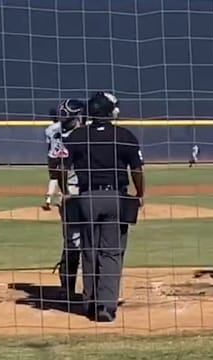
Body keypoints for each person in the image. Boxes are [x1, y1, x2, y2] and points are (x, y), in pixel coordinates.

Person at [61, 91, 144, 322]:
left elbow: (59, 167)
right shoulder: (124, 135)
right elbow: (136, 169)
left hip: (86, 198)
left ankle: (89, 302)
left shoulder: (76, 136)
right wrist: (140, 193)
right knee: (111, 252)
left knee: (89, 249)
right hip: (115, 197)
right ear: (111, 113)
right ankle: (105, 306)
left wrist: (65, 191)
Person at [43, 99, 87, 300]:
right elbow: (54, 167)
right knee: (75, 242)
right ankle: (69, 286)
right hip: (76, 191)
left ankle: (80, 287)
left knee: (76, 242)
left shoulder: (56, 132)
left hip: (79, 192)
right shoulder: (63, 135)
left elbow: (53, 167)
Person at [43, 99, 85, 210]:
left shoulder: (50, 129)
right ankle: (63, 196)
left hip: (54, 156)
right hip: (68, 162)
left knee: (54, 179)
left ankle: (50, 198)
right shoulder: (81, 133)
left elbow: (49, 145)